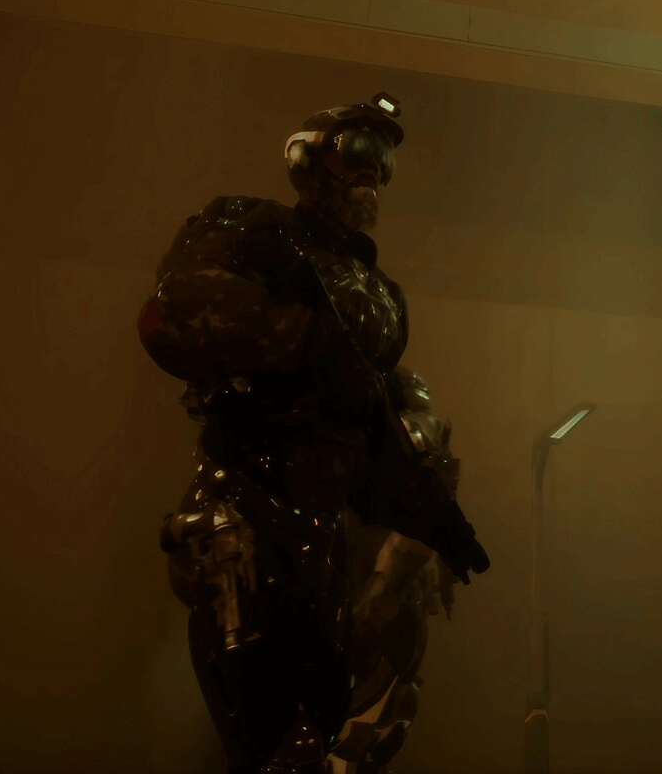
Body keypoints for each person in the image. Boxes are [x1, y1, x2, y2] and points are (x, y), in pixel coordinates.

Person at [138, 95, 490, 773]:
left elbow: (374, 410)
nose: (374, 171)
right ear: (306, 160)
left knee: (325, 732)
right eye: (357, 151)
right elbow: (171, 310)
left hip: (328, 533)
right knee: (273, 739)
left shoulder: (379, 294)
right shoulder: (252, 228)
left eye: (384, 160)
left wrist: (432, 511)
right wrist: (298, 339)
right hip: (248, 507)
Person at [330, 367, 461, 773]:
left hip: (380, 604)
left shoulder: (407, 428)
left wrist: (380, 586)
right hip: (352, 594)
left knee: (363, 727)